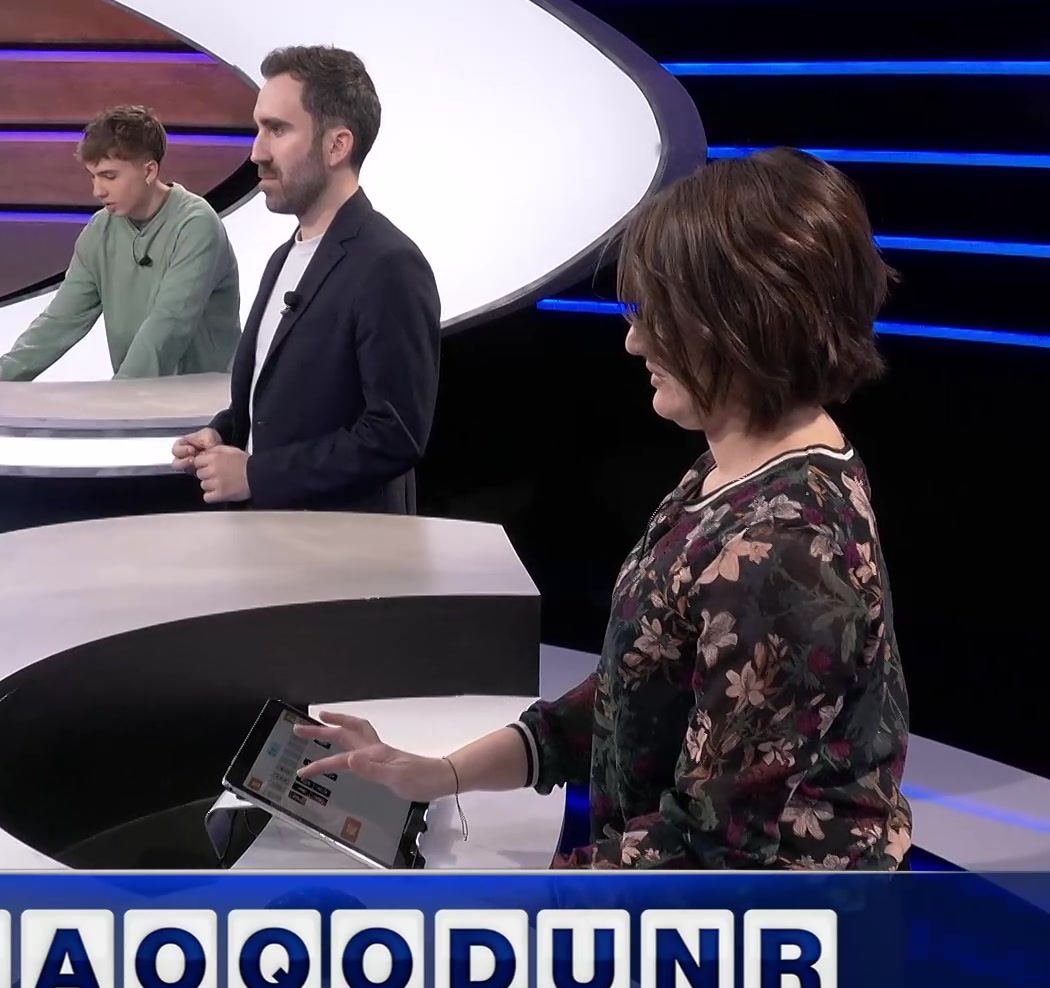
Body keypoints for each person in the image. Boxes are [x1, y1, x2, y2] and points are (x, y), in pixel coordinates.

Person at [297, 148, 913, 870]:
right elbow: (643, 682)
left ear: (747, 321)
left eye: (664, 316)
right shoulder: (737, 467)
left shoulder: (787, 550)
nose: (634, 340)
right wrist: (442, 774)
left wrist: (490, 912)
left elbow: (706, 856)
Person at [170, 46, 440, 512]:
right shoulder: (283, 257)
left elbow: (395, 435)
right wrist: (225, 432)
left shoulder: (390, 264)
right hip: (269, 538)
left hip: (340, 547)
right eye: (259, 128)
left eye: (277, 129)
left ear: (337, 145)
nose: (256, 152)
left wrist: (256, 475)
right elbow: (280, 405)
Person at [0, 105, 240, 381]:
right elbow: (61, 319)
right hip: (137, 396)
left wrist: (120, 394)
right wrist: (0, 379)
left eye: (109, 176)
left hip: (209, 399)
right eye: (93, 176)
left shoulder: (196, 224)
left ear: (149, 171)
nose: (97, 191)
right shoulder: (100, 231)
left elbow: (170, 322)